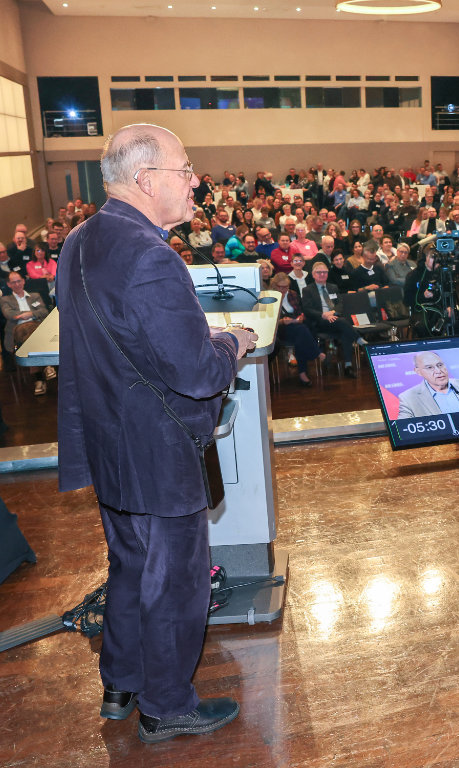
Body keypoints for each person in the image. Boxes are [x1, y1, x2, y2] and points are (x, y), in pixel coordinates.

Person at [56, 124, 257, 743]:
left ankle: (121, 683)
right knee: (175, 582)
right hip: (157, 452)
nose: (196, 182)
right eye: (185, 170)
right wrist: (234, 341)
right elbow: (198, 373)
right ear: (146, 180)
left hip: (111, 445)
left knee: (130, 566)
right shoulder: (151, 256)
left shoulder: (80, 239)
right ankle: (166, 706)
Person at [300, 262, 360, 378]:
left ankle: (348, 366)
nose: (322, 274)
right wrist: (323, 315)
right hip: (319, 322)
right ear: (313, 274)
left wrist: (332, 312)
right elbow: (307, 309)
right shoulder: (308, 290)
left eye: (325, 272)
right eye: (319, 272)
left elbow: (340, 304)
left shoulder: (333, 287)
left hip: (335, 320)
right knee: (343, 322)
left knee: (345, 331)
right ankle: (358, 339)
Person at [268, 271, 324, 387]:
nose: (284, 290)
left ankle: (303, 373)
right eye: (281, 287)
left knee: (300, 334)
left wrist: (301, 317)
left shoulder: (292, 294)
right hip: (279, 329)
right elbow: (268, 321)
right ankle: (316, 354)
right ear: (275, 285)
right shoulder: (269, 298)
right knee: (302, 331)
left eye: (286, 287)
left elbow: (301, 311)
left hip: (296, 326)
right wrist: (282, 321)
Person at [1, 271, 54, 394]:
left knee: (31, 339)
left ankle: (39, 380)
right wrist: (28, 314)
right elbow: (9, 314)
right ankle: (47, 365)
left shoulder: (35, 296)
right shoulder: (5, 299)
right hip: (17, 329)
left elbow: (44, 311)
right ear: (8, 284)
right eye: (13, 282)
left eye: (19, 281)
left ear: (24, 281)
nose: (17, 284)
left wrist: (30, 314)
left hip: (37, 327)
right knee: (30, 332)